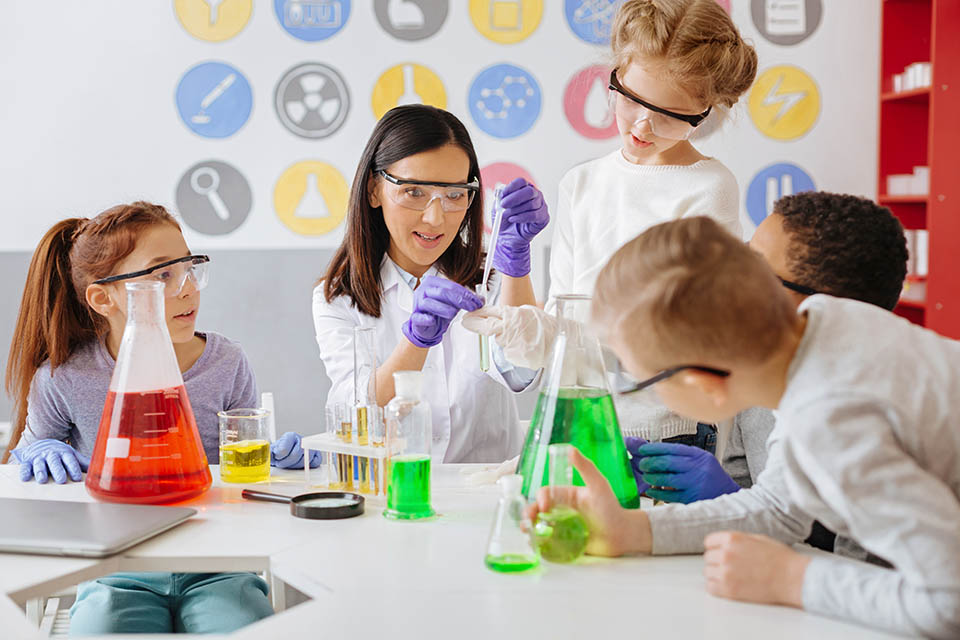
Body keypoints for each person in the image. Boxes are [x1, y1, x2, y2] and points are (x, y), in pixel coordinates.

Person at [533, 216, 960, 639]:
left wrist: (792, 579)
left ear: (705, 384)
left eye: (640, 380)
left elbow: (947, 602)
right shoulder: (821, 322)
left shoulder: (831, 419)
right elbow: (780, 507)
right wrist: (635, 532)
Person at [3, 202, 274, 634]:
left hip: (217, 559)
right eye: (163, 275)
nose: (187, 289)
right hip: (117, 566)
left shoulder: (226, 361)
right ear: (102, 297)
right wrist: (34, 450)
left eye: (189, 268)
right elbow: (22, 462)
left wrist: (272, 454)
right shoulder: (65, 376)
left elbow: (242, 467)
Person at [627, 192, 910, 510]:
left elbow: (864, 555)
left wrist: (730, 499)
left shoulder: (872, 415)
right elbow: (754, 496)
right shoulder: (765, 373)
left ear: (821, 307)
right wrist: (721, 494)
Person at [311, 105, 547, 463]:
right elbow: (358, 412)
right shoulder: (339, 296)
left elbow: (521, 370)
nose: (435, 218)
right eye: (414, 192)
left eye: (454, 195)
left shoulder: (493, 277)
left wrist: (515, 267)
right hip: (394, 494)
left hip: (485, 493)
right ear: (374, 190)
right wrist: (415, 342)